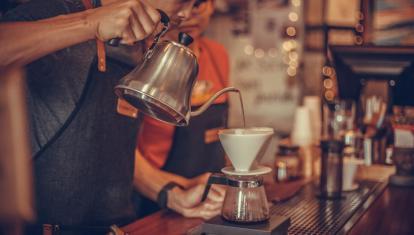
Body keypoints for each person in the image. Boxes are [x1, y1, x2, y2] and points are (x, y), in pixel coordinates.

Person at [1, 0, 221, 234]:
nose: (186, 13)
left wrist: (172, 193)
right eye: (184, 1)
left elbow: (107, 144)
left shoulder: (140, 44)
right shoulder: (64, 8)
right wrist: (90, 23)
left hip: (118, 227)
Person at [133, 0, 230, 218]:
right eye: (180, 4)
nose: (187, 15)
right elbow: (118, 153)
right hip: (153, 199)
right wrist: (179, 189)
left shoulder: (218, 55)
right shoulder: (140, 57)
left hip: (206, 198)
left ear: (213, 5)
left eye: (198, 4)